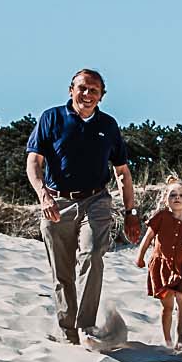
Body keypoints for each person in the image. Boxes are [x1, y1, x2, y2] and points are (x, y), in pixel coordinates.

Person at [24, 68, 141, 346]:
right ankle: (68, 331)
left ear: (102, 96)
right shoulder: (51, 118)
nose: (87, 95)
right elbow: (33, 162)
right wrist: (44, 196)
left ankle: (86, 327)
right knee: (62, 271)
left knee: (92, 255)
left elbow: (122, 170)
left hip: (96, 200)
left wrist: (130, 212)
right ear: (71, 90)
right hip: (57, 201)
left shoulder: (108, 125)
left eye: (94, 91)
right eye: (82, 88)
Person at [136, 179, 182, 351]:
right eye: (173, 195)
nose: (177, 198)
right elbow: (147, 238)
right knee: (167, 306)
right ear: (165, 199)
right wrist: (140, 257)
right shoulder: (160, 217)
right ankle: (167, 339)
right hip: (162, 267)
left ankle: (179, 332)